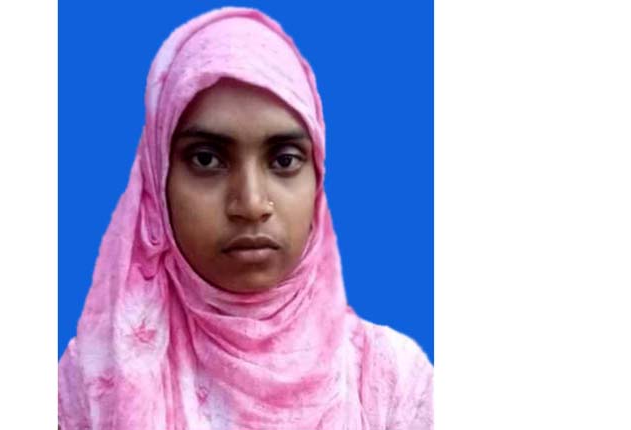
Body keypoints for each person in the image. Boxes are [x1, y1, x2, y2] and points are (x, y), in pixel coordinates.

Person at [59, 7, 433, 429]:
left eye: (284, 160)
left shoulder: (391, 383)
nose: (252, 203)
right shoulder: (89, 382)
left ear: (317, 180)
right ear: (156, 182)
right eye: (206, 159)